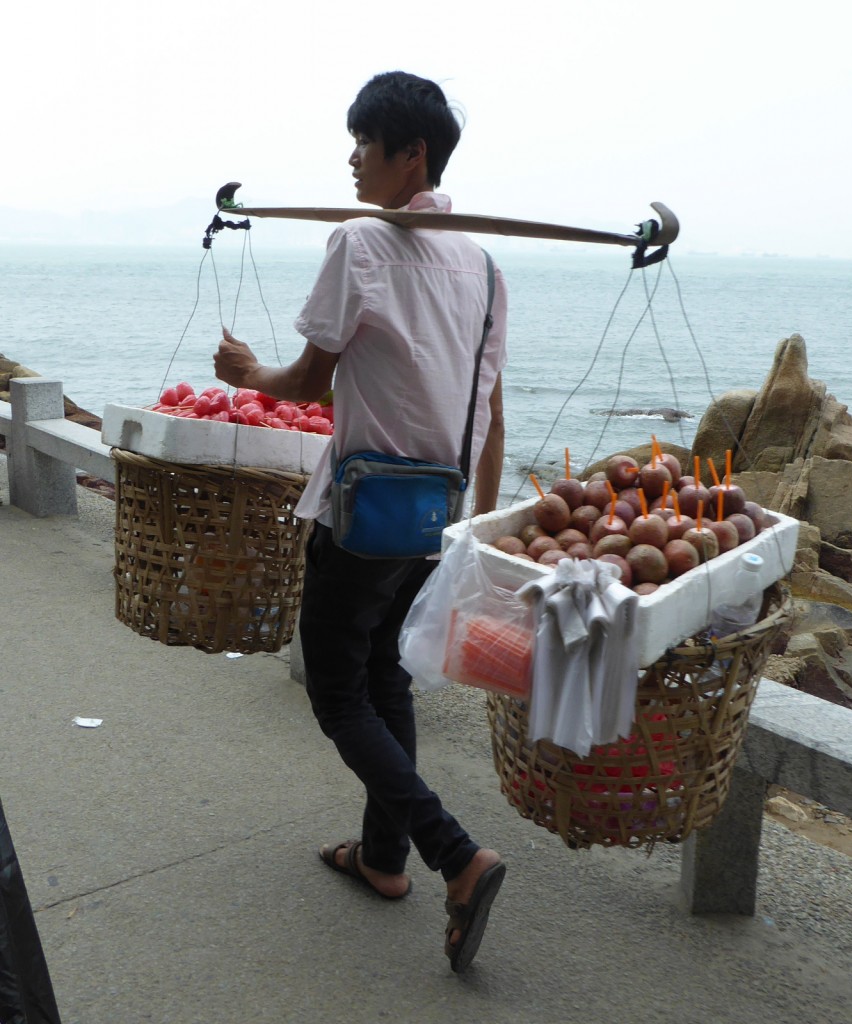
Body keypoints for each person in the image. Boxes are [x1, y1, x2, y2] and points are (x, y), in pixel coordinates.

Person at [213, 70, 508, 973]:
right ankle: (384, 859)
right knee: (384, 677)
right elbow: (488, 410)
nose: (350, 159)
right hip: (433, 510)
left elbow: (308, 383)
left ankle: (453, 856)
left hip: (363, 510)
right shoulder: (485, 264)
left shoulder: (362, 242)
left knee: (338, 692)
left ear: (408, 154)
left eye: (362, 143)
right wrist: (475, 527)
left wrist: (245, 373)